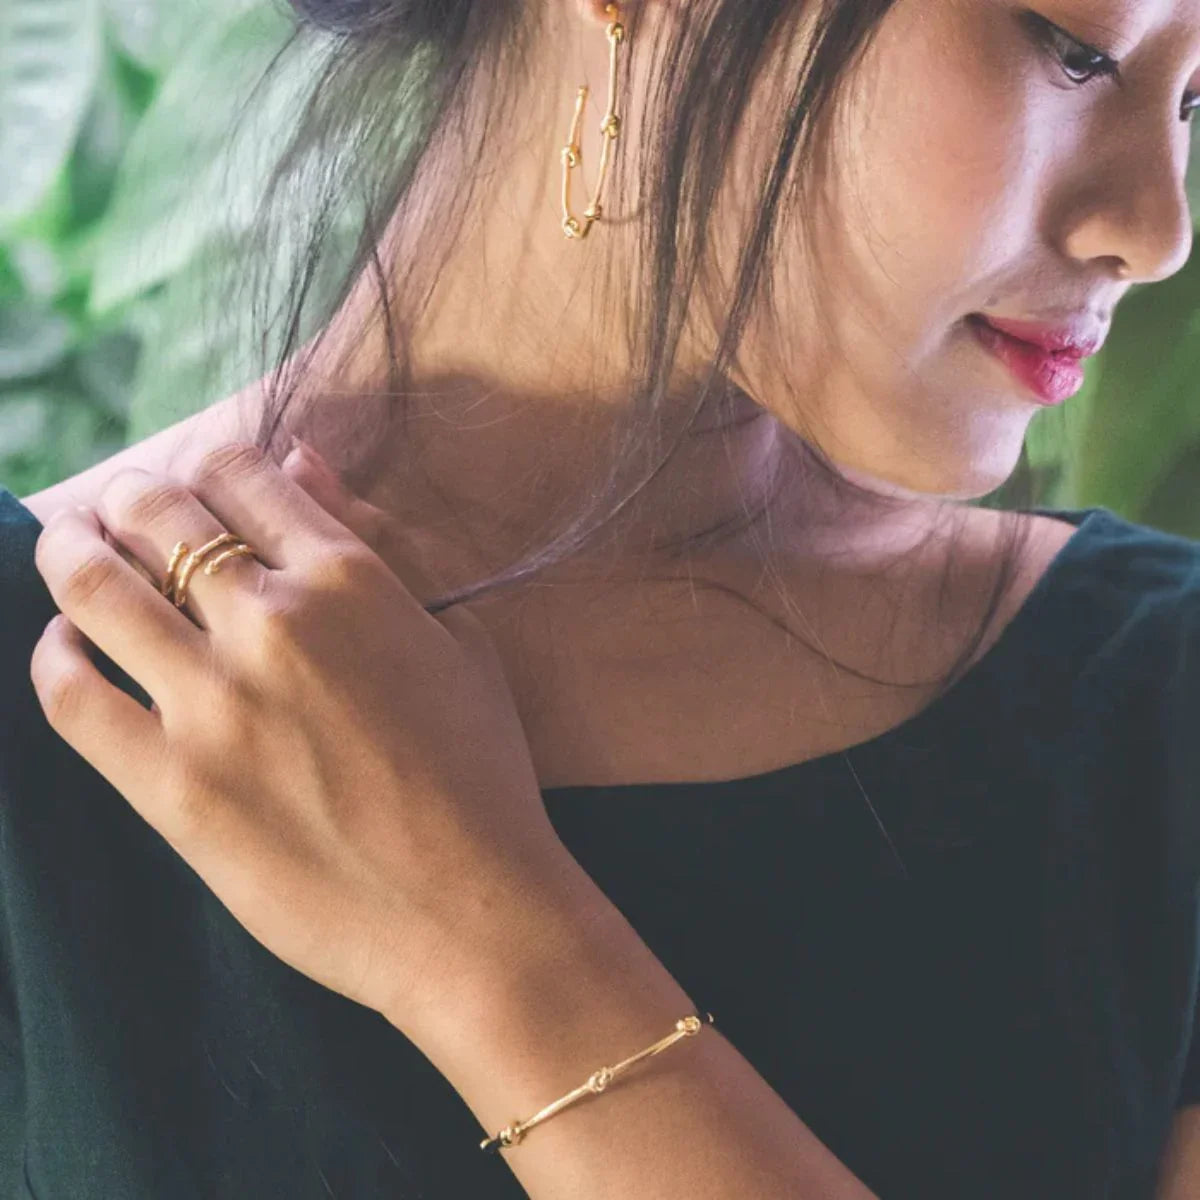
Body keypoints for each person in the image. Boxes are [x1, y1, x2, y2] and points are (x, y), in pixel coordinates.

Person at [4, 0, 1200, 1195]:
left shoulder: (1163, 704)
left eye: (1197, 101)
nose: (1160, 229)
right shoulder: (36, 685)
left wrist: (485, 943)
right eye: (1075, 50)